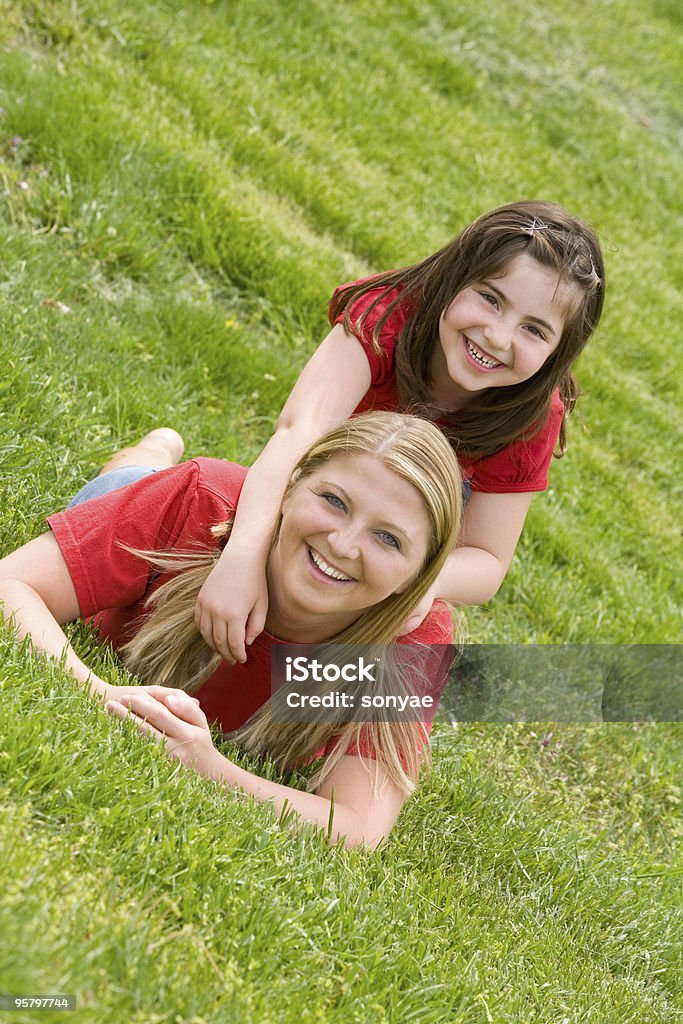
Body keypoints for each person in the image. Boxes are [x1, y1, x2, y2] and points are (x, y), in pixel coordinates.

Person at [0, 414, 461, 849]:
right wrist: (99, 692)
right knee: (126, 481)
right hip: (151, 501)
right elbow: (10, 583)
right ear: (289, 486)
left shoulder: (414, 642)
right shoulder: (201, 498)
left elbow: (358, 827)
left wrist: (208, 766)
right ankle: (151, 453)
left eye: (388, 539)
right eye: (334, 501)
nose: (342, 545)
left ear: (420, 575)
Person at [195, 199, 605, 664]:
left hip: (402, 532)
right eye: (491, 299)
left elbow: (487, 561)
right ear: (454, 279)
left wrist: (421, 582)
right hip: (325, 491)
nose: (498, 336)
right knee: (212, 510)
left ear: (557, 353)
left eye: (534, 330)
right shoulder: (389, 316)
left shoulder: (531, 413)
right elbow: (297, 434)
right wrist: (243, 556)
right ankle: (143, 464)